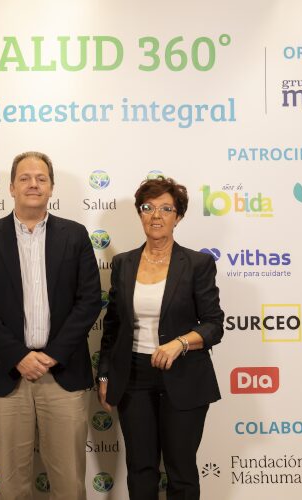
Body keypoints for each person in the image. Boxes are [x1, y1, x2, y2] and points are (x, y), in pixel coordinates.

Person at [0, 151, 102, 500]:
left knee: (69, 484)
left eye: (41, 178)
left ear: (51, 187)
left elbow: (89, 300)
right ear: (11, 187)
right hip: (6, 373)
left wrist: (53, 354)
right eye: (24, 178)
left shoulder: (75, 235)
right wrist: (18, 356)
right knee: (13, 485)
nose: (33, 184)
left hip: (63, 372)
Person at [97, 177, 224, 500]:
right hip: (134, 377)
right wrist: (105, 375)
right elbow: (113, 327)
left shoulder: (197, 264)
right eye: (148, 207)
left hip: (185, 375)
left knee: (181, 470)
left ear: (178, 217)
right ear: (140, 213)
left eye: (166, 209)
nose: (156, 215)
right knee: (141, 470)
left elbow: (214, 325)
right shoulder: (123, 263)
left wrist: (180, 343)